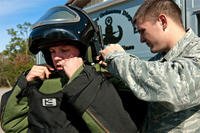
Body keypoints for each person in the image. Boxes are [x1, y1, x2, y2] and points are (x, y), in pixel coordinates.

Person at [0, 5, 137, 133]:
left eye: (64, 50)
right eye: (52, 51)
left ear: (84, 50)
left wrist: (80, 79)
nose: (57, 57)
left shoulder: (104, 78)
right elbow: (14, 126)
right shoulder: (40, 81)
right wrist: (24, 85)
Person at [100, 0, 200, 132]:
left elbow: (173, 87)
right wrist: (113, 74)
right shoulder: (160, 59)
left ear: (162, 21)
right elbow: (145, 82)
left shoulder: (196, 51)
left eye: (142, 31)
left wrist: (118, 59)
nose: (141, 39)